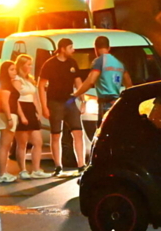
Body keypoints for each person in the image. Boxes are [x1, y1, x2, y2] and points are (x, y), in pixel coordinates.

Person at [39, 38, 85, 176]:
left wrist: (83, 99)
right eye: (71, 47)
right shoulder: (50, 64)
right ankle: (58, 166)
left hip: (70, 101)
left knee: (78, 132)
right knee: (56, 134)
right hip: (55, 101)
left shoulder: (72, 62)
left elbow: (78, 81)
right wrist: (44, 106)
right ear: (63, 48)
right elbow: (41, 85)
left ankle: (81, 164)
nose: (73, 50)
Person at [73, 35, 133, 124]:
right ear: (109, 48)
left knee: (103, 131)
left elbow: (91, 81)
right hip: (117, 102)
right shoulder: (119, 64)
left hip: (105, 102)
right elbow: (129, 85)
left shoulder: (99, 61)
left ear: (95, 48)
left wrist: (76, 94)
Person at [13, 54, 49, 180]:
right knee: (22, 143)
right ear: (22, 65)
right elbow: (15, 98)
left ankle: (36, 169)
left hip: (31, 109)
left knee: (38, 141)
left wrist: (38, 111)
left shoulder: (29, 79)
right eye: (28, 64)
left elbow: (34, 97)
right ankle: (22, 170)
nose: (30, 67)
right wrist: (21, 115)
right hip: (21, 109)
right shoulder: (17, 79)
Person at [0, 60, 20, 184]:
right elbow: (5, 102)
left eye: (15, 69)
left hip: (4, 114)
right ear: (5, 71)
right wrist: (9, 118)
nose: (14, 72)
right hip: (6, 115)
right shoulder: (5, 84)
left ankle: (3, 173)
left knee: (5, 146)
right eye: (12, 69)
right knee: (5, 146)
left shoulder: (7, 83)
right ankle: (2, 174)